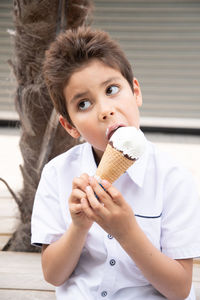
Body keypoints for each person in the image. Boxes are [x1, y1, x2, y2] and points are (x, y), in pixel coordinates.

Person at [31, 26, 200, 300]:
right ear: (70, 126)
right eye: (83, 104)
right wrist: (79, 226)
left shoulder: (174, 179)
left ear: (136, 93)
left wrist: (126, 232)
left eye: (112, 89)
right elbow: (53, 275)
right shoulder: (57, 175)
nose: (105, 110)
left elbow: (179, 288)